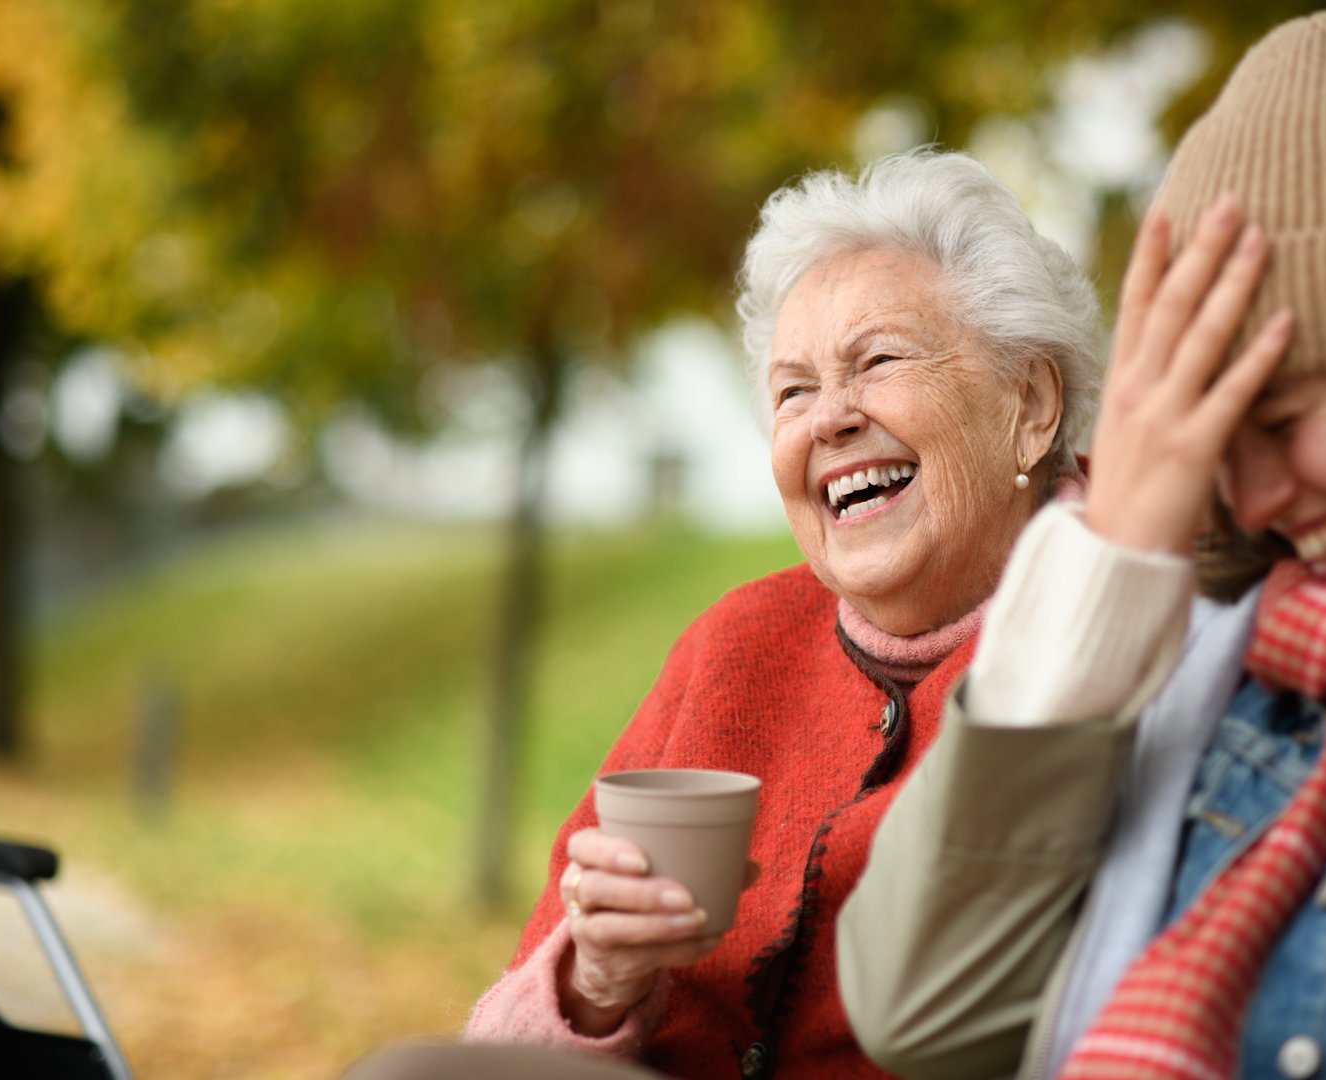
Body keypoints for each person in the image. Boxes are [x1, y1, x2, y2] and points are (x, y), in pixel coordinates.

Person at [838, 12, 1326, 1080]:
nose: (1257, 498)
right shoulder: (1196, 671)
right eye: (1216, 440)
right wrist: (1105, 574)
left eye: (1285, 422)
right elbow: (923, 1018)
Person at [464, 149, 1103, 1079]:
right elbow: (512, 1029)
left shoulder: (1133, 630)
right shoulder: (737, 644)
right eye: (793, 390)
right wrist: (596, 981)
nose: (829, 419)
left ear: (1032, 403)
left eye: (879, 360)